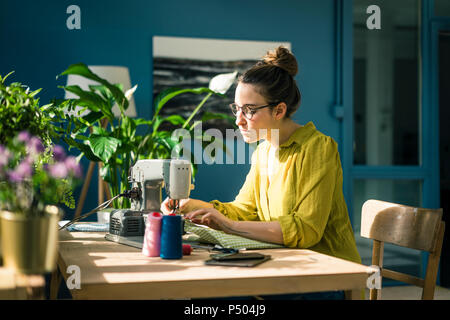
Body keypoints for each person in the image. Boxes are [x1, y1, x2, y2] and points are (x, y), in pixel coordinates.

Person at [161, 46, 361, 268]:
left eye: (249, 110)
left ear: (279, 110)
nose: (238, 120)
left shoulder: (317, 148)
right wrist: (195, 206)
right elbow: (246, 210)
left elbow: (306, 231)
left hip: (330, 272)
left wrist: (228, 225)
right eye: (236, 109)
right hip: (286, 264)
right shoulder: (263, 152)